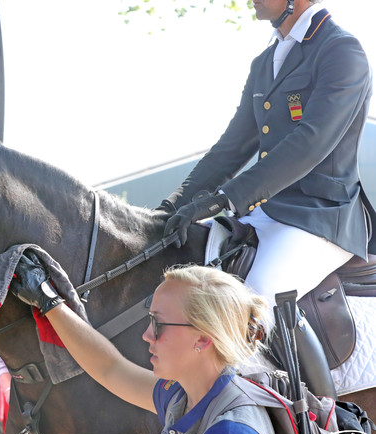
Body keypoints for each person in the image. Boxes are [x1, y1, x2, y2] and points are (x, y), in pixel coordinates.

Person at [157, 0, 374, 397]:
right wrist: (173, 205)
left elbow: (310, 144)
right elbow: (232, 148)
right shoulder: (265, 61)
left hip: (321, 218)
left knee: (255, 297)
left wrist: (227, 198)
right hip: (267, 212)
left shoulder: (341, 51)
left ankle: (319, 424)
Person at [10, 255, 278, 434]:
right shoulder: (183, 397)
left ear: (203, 339)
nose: (147, 335)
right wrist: (50, 302)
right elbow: (110, 368)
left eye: (159, 324)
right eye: (150, 320)